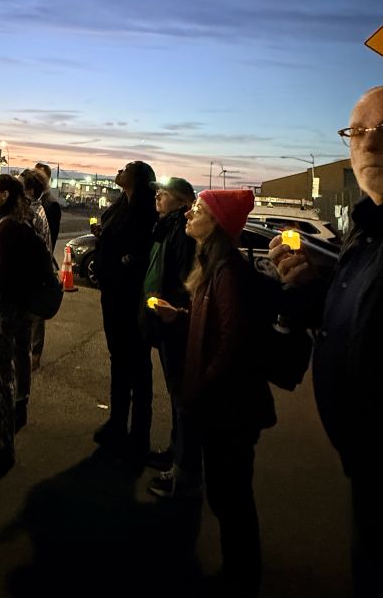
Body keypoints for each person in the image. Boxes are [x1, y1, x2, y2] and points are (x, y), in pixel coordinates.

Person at [269, 85, 383, 597]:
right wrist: (316, 287)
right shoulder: (366, 230)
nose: (369, 145)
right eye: (358, 132)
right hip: (363, 470)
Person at [172, 189, 275, 594]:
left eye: (197, 210)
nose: (188, 214)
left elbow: (233, 340)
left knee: (231, 496)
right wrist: (181, 314)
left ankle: (242, 576)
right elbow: (218, 323)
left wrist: (201, 388)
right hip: (221, 403)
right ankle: (241, 570)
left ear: (215, 223)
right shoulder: (212, 265)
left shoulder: (227, 270)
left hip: (230, 407)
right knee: (225, 491)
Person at [92, 160, 157, 470]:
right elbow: (114, 239)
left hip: (130, 299)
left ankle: (138, 436)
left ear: (139, 179)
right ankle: (116, 423)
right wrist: (101, 233)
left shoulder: (145, 212)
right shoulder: (121, 204)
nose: (121, 169)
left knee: (138, 367)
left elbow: (142, 252)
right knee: (118, 360)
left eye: (128, 167)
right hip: (112, 295)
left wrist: (127, 261)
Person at [139, 177, 200, 498]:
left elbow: (182, 279)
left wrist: (173, 310)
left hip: (174, 323)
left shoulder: (181, 232)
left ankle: (183, 470)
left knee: (182, 397)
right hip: (164, 319)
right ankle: (177, 453)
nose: (157, 198)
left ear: (181, 202)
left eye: (163, 195)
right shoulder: (166, 226)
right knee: (177, 395)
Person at [0, 173, 37, 466]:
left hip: (4, 310)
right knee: (11, 367)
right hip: (22, 307)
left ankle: (2, 444)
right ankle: (7, 426)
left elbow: (2, 276)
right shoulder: (23, 221)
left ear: (4, 195)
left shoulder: (5, 226)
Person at [22, 168, 53, 371]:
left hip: (31, 277)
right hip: (35, 275)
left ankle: (33, 358)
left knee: (32, 319)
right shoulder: (35, 210)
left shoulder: (33, 214)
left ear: (30, 191)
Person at [35, 162, 62, 249]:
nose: (35, 180)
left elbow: (50, 239)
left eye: (39, 177)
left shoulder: (52, 205)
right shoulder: (34, 199)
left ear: (47, 179)